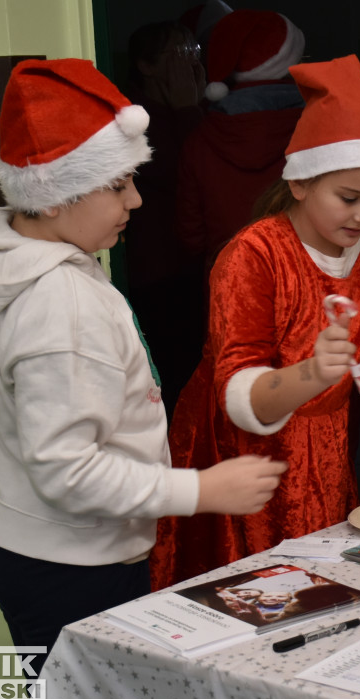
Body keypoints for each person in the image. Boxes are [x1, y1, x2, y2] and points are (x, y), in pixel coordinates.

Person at [0, 58, 286, 673]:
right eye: (118, 183)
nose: (136, 198)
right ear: (54, 195)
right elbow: (68, 473)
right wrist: (201, 490)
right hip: (68, 563)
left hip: (20, 539)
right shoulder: (62, 304)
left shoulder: (19, 255)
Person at [150, 55, 360, 588]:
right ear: (301, 184)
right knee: (245, 602)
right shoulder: (253, 256)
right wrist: (312, 373)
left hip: (325, 458)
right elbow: (238, 395)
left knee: (321, 594)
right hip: (237, 462)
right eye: (349, 198)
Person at [174, 9, 306, 290]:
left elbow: (191, 236)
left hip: (228, 279)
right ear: (291, 59)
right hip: (302, 278)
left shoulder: (199, 140)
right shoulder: (319, 128)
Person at [123, 20, 208, 413]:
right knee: (171, 379)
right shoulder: (131, 117)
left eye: (193, 52)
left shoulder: (186, 107)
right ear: (146, 65)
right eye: (178, 54)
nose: (188, 64)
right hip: (155, 272)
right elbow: (186, 172)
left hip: (192, 263)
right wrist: (187, 107)